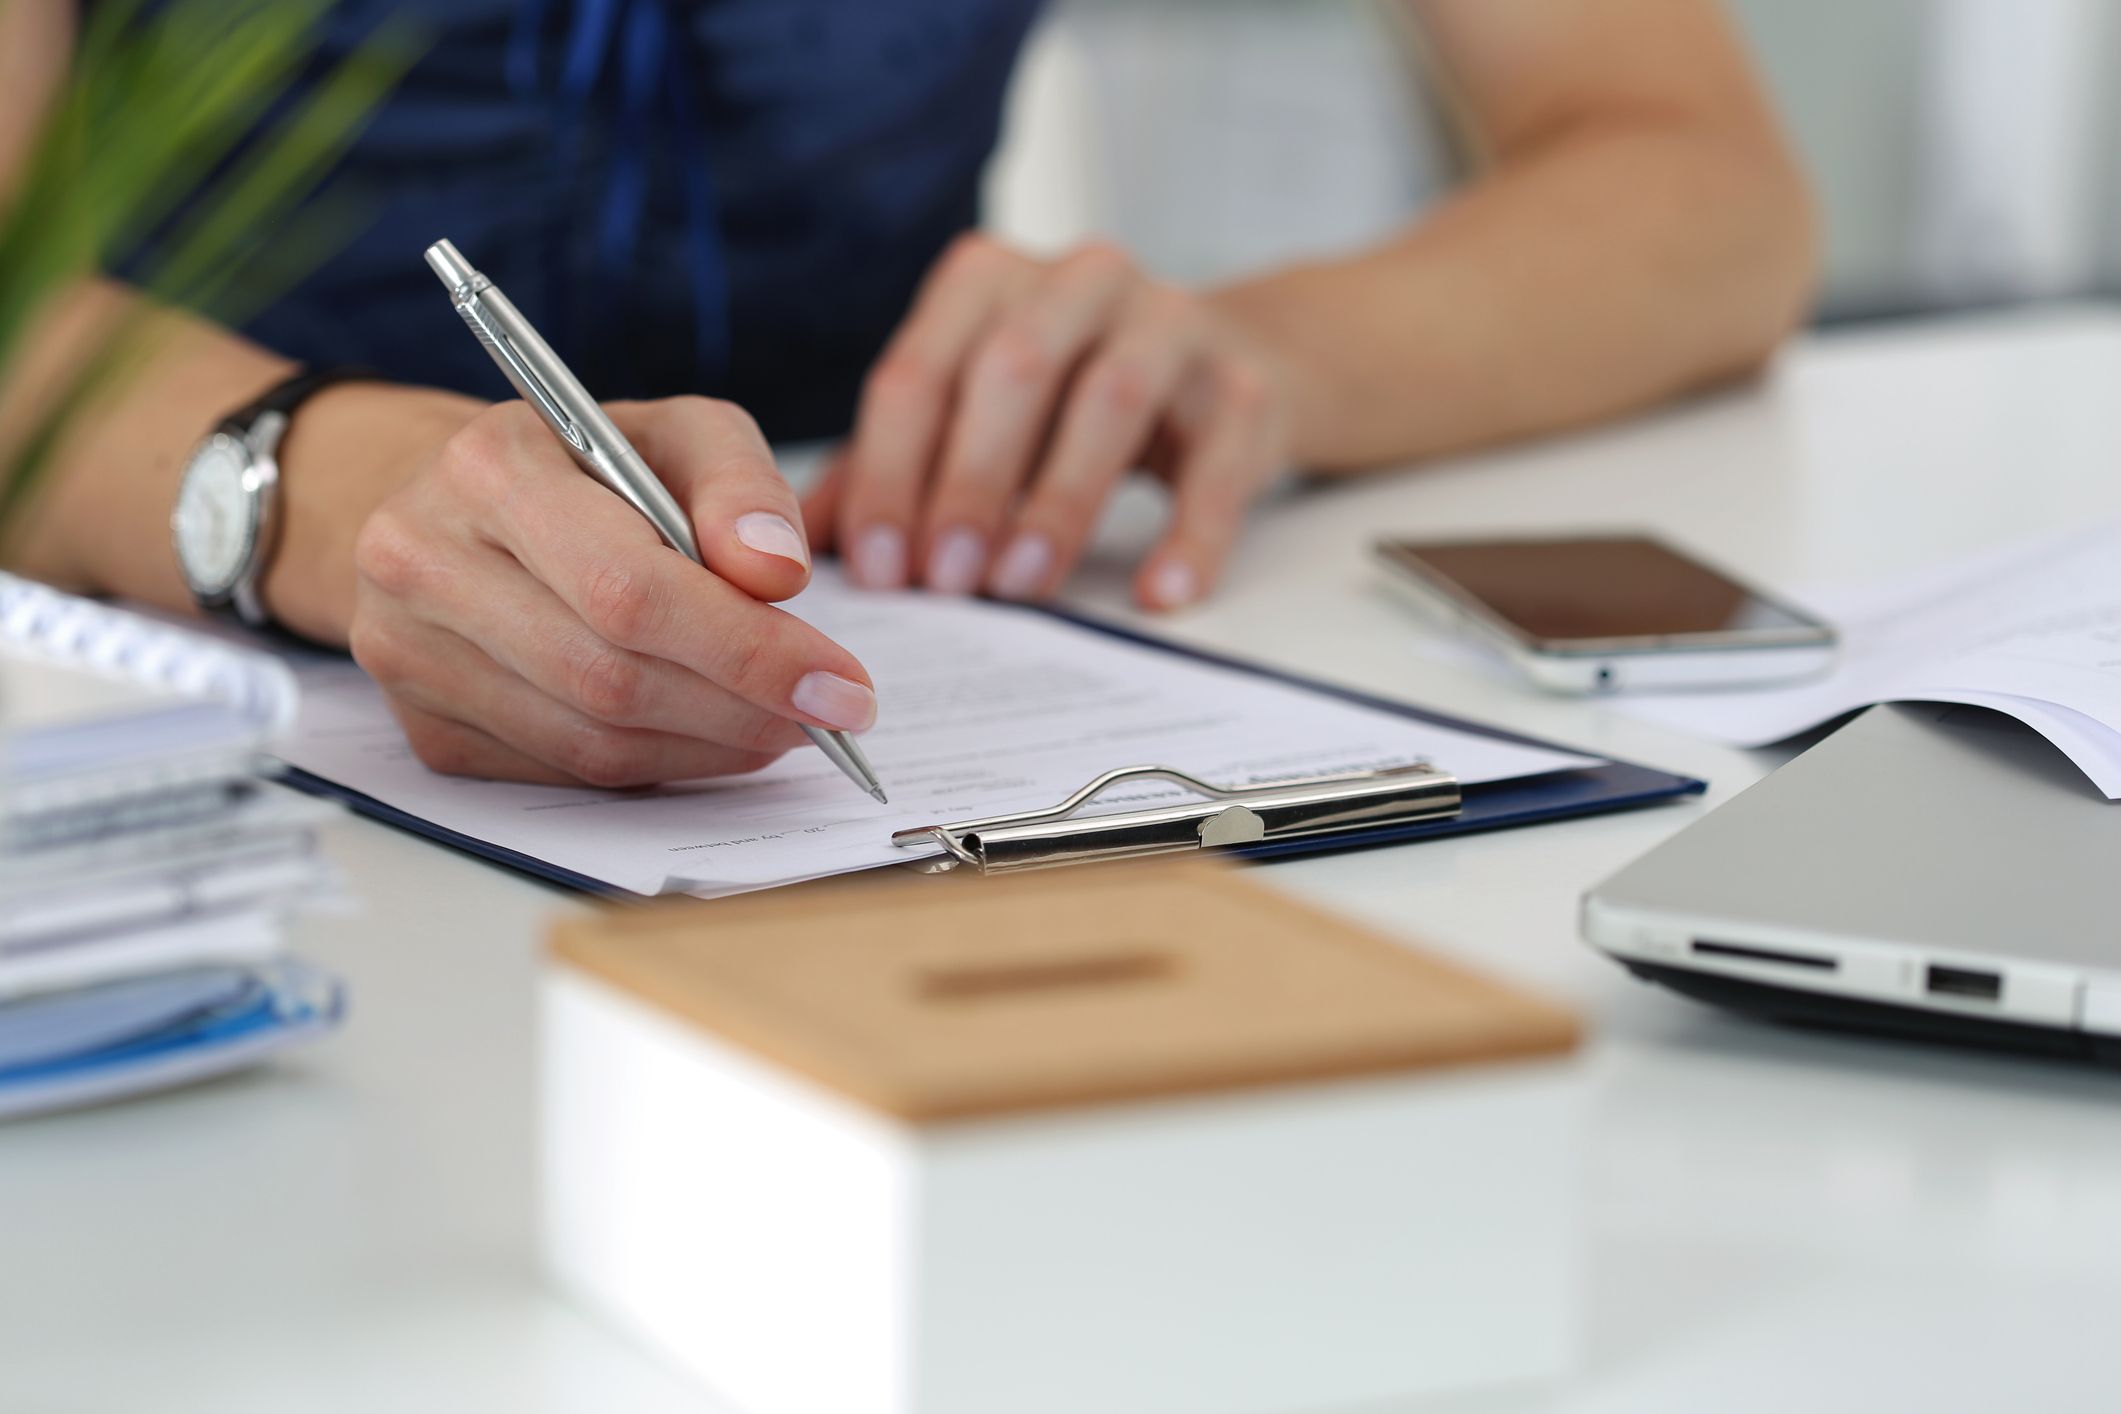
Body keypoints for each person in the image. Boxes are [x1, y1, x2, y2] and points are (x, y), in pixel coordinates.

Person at [0, 0, 1814, 789]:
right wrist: (301, 487)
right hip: (171, 687)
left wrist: (1247, 364)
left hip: (887, 573)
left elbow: (1705, 190)